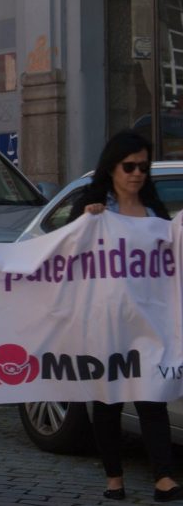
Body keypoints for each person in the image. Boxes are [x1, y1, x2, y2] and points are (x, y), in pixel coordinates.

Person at [69, 130, 183, 503]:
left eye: (143, 167)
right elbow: (67, 253)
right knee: (108, 401)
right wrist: (86, 221)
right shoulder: (96, 209)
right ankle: (114, 477)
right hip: (106, 324)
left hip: (149, 324)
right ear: (112, 168)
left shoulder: (154, 215)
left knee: (152, 398)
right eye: (129, 166)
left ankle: (164, 478)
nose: (136, 174)